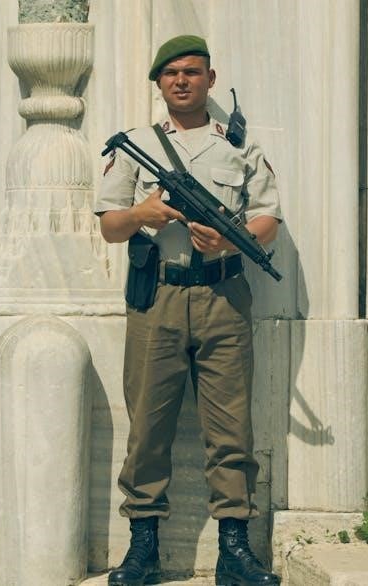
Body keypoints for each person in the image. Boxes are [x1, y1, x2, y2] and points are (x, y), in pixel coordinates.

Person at [94, 35, 282, 586]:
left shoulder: (239, 147)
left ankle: (234, 552)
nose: (182, 80)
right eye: (172, 72)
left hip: (225, 297)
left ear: (210, 79)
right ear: (158, 82)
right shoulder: (136, 144)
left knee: (231, 428)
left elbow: (268, 219)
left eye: (193, 72)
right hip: (158, 297)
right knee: (148, 425)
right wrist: (144, 213)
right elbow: (109, 226)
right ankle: (143, 550)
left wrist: (229, 241)